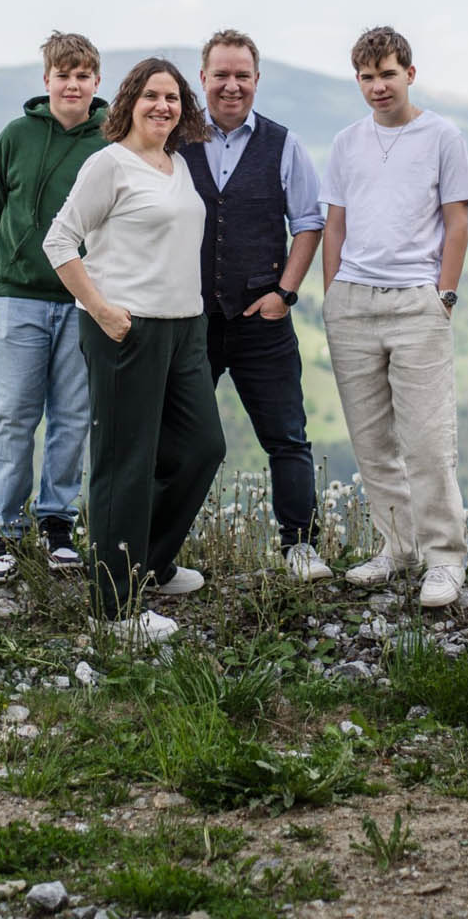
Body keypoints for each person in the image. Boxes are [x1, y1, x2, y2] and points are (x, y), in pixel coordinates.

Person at [43, 57, 225, 643]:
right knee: (125, 465)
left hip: (184, 329)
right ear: (129, 102)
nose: (163, 106)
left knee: (201, 448)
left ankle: (150, 562)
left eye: (172, 98)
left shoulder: (176, 165)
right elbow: (59, 239)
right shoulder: (109, 165)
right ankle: (114, 609)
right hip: (125, 329)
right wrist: (100, 309)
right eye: (151, 96)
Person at [321, 25, 468, 608]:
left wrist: (446, 295)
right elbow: (334, 222)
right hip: (353, 303)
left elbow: (457, 222)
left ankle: (444, 559)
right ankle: (398, 548)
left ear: (409, 74)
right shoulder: (345, 142)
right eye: (366, 76)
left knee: (428, 439)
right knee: (371, 441)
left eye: (387, 74)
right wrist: (334, 293)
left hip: (418, 302)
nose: (377, 86)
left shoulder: (442, 135)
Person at [181, 29, 332, 581]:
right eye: (220, 74)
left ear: (256, 80)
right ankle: (157, 550)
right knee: (181, 440)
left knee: (286, 436)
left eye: (242, 75)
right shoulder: (174, 139)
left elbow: (309, 223)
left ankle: (300, 547)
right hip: (189, 320)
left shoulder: (284, 144)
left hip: (260, 319)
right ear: (203, 79)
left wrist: (284, 295)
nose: (231, 85)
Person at [0, 30, 108, 583]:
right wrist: (14, 263)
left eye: (83, 75)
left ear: (96, 82)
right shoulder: (15, 136)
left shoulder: (111, 143)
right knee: (12, 414)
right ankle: (4, 530)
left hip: (83, 301)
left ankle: (58, 525)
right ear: (47, 81)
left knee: (72, 417)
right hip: (20, 299)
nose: (73, 84)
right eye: (64, 74)